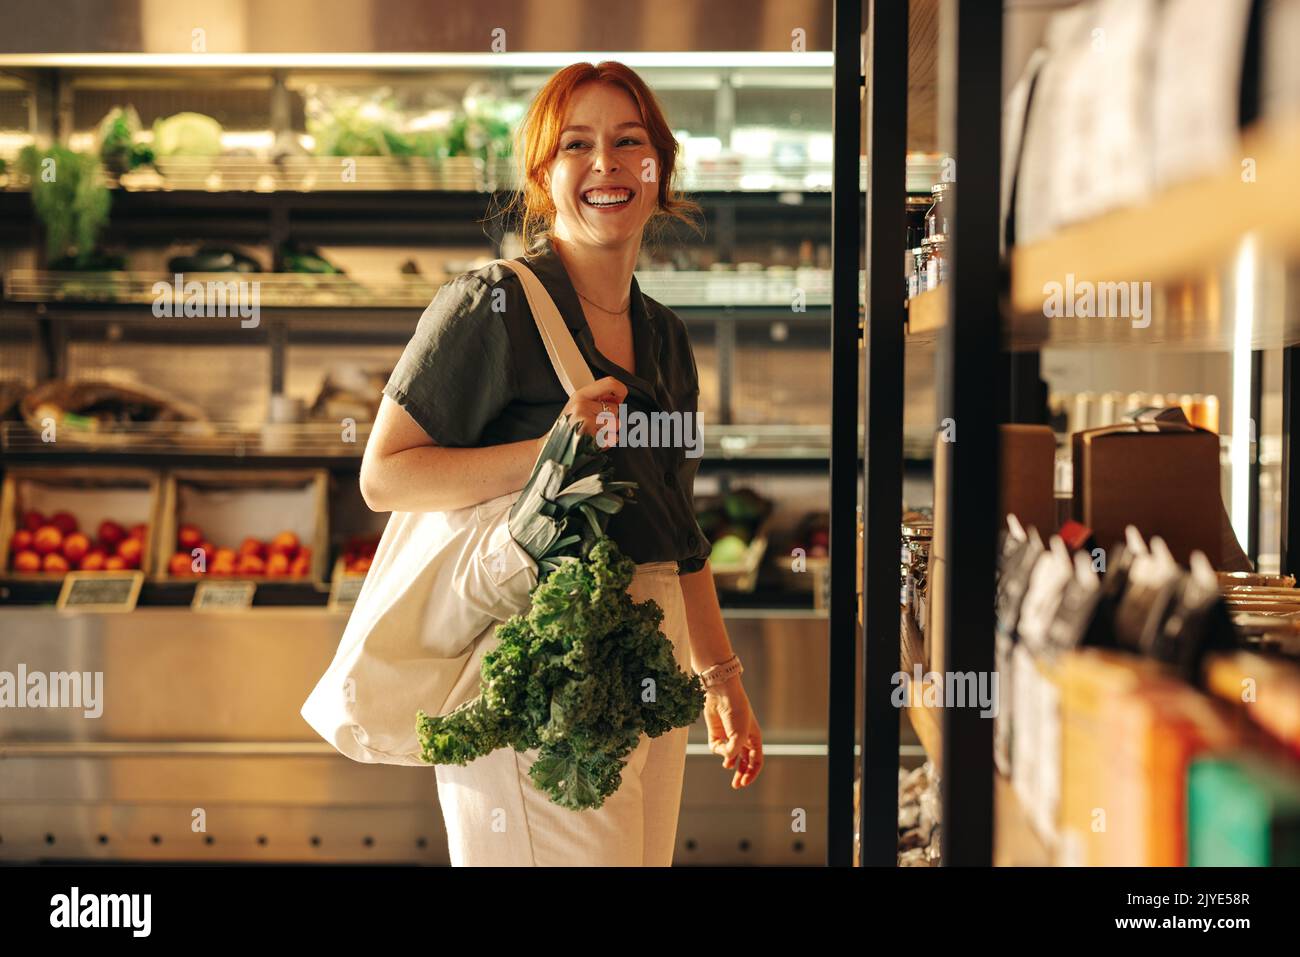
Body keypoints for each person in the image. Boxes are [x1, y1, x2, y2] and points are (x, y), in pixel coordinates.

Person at [359, 60, 764, 866]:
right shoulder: (493, 304)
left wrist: (721, 677)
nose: (606, 165)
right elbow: (386, 474)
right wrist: (551, 452)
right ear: (544, 176)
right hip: (534, 673)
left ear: (659, 169)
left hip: (643, 670)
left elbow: (680, 531)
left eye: (628, 142)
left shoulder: (667, 337)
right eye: (577, 145)